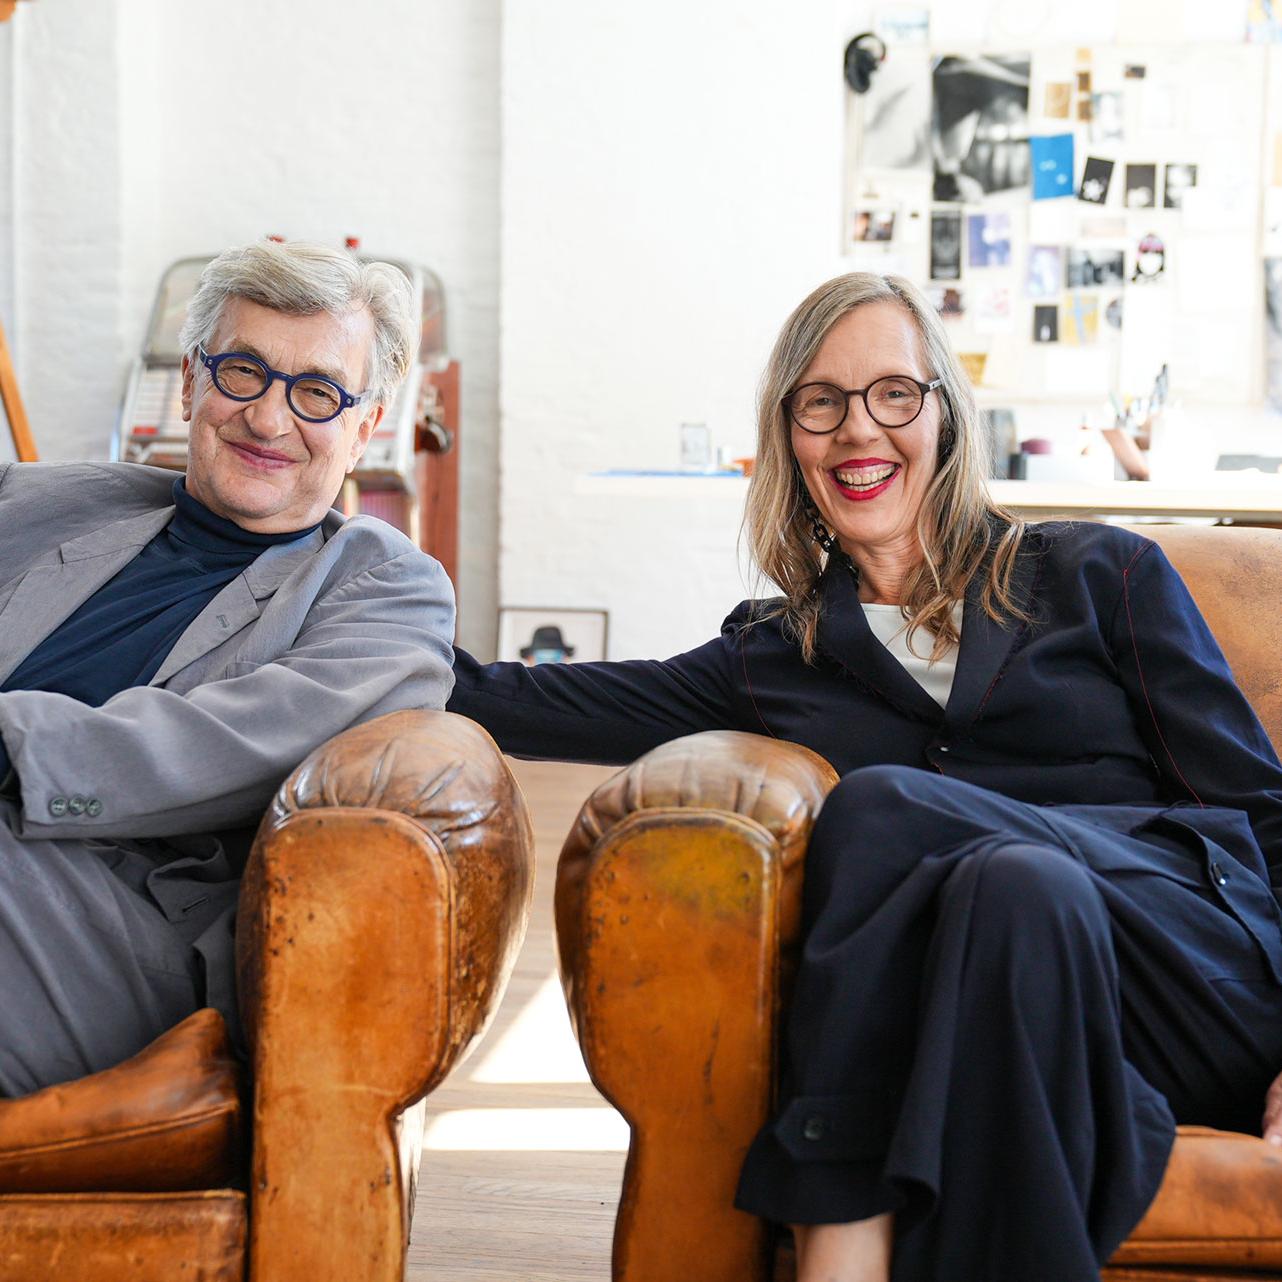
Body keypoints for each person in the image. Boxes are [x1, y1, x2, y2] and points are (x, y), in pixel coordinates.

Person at [448, 272, 1282, 1281]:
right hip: (1018, 1013)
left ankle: (840, 1242)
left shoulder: (1099, 576)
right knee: (1010, 886)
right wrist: (340, 594)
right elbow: (507, 697)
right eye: (821, 401)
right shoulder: (771, 656)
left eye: (893, 393)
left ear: (943, 414)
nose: (858, 430)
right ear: (788, 436)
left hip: (1185, 981)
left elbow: (1258, 813)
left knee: (885, 806)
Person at [0, 239, 455, 1098]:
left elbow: (235, 744)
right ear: (190, 385)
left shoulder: (384, 587)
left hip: (112, 923)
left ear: (363, 428)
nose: (270, 419)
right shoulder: (40, 500)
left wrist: (8, 743)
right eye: (242, 371)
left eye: (317, 392)